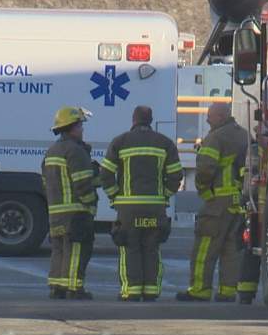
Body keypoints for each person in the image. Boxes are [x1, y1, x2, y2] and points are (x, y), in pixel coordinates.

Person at [100, 106, 184, 302]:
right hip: (155, 207)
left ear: (133, 119)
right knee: (152, 247)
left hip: (128, 208)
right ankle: (151, 291)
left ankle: (131, 291)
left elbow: (105, 174)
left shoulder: (120, 142)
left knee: (130, 248)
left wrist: (115, 197)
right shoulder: (165, 143)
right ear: (151, 120)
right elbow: (176, 175)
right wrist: (164, 196)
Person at [177, 102, 249, 302]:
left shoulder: (215, 137)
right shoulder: (243, 135)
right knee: (230, 249)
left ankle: (200, 290)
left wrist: (205, 192)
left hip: (217, 202)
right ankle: (227, 292)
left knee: (204, 248)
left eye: (210, 116)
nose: (207, 119)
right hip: (238, 202)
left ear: (221, 116)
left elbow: (205, 168)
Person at [43, 106, 99, 300]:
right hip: (76, 212)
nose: (82, 129)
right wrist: (90, 204)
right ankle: (74, 288)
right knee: (76, 250)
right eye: (80, 125)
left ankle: (57, 286)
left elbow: (46, 181)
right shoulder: (75, 151)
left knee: (58, 250)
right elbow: (83, 183)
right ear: (72, 127)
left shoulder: (52, 151)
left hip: (55, 212)